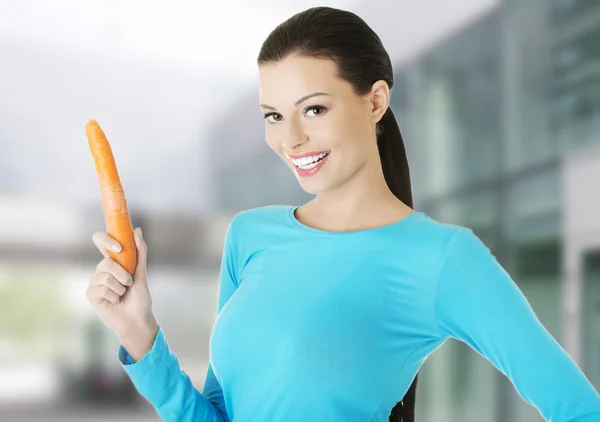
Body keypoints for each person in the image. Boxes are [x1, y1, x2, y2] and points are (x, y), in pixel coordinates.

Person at [86, 6, 600, 422]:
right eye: (273, 116)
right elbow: (217, 416)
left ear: (375, 101)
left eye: (314, 109)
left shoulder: (443, 258)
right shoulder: (250, 235)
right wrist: (139, 332)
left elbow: (578, 410)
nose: (290, 140)